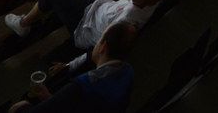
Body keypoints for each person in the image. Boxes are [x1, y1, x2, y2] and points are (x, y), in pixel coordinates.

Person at [4, 0, 167, 56]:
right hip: (101, 6)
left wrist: (71, 65)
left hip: (85, 24)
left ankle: (23, 24)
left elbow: (101, 49)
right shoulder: (153, 2)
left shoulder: (124, 22)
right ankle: (73, 0)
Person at [8, 20, 139, 112]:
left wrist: (22, 108)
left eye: (100, 39)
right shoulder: (128, 72)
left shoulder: (83, 85)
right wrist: (52, 99)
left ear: (103, 47)